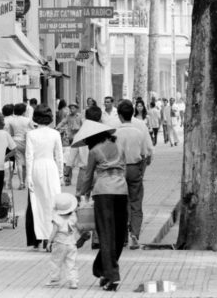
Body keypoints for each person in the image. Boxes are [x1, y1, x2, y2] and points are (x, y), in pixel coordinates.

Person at [76, 120, 127, 291]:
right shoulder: (119, 146)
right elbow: (124, 168)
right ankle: (103, 270)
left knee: (106, 234)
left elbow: (88, 175)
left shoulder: (94, 150)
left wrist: (82, 193)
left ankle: (111, 276)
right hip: (121, 190)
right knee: (119, 234)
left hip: (103, 192)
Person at [116, 100, 153, 250]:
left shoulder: (115, 133)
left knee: (120, 203)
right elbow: (145, 153)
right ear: (132, 114)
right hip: (134, 168)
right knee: (136, 202)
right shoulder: (139, 133)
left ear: (119, 115)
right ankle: (135, 234)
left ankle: (122, 236)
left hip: (118, 170)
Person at [26, 105, 64, 249]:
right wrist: (61, 174)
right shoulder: (55, 134)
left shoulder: (31, 134)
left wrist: (28, 176)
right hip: (51, 167)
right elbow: (59, 156)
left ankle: (40, 237)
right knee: (52, 203)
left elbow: (29, 157)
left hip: (36, 168)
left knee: (37, 204)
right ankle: (52, 237)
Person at [45, 193, 79, 290]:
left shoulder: (57, 218)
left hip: (60, 243)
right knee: (72, 262)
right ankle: (73, 281)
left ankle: (54, 280)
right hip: (72, 243)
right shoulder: (73, 216)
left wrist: (49, 241)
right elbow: (77, 226)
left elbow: (54, 231)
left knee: (56, 262)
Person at [8, 103, 34, 190]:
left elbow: (11, 133)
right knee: (27, 162)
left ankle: (21, 182)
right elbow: (32, 131)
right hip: (26, 142)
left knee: (19, 163)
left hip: (16, 141)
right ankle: (25, 180)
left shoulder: (12, 121)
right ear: (23, 111)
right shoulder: (28, 120)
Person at [56, 103, 83, 186]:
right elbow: (62, 122)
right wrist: (57, 127)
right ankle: (68, 179)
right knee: (69, 160)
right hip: (70, 139)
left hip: (79, 139)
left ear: (76, 109)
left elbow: (84, 126)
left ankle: (80, 178)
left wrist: (78, 129)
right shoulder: (68, 116)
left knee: (78, 160)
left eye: (73, 108)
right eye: (70, 108)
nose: (71, 110)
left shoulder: (80, 116)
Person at [2, 104, 16, 189]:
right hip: (11, 143)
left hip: (2, 143)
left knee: (3, 161)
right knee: (11, 161)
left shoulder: (2, 120)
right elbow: (13, 132)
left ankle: (4, 179)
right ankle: (9, 180)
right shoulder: (13, 120)